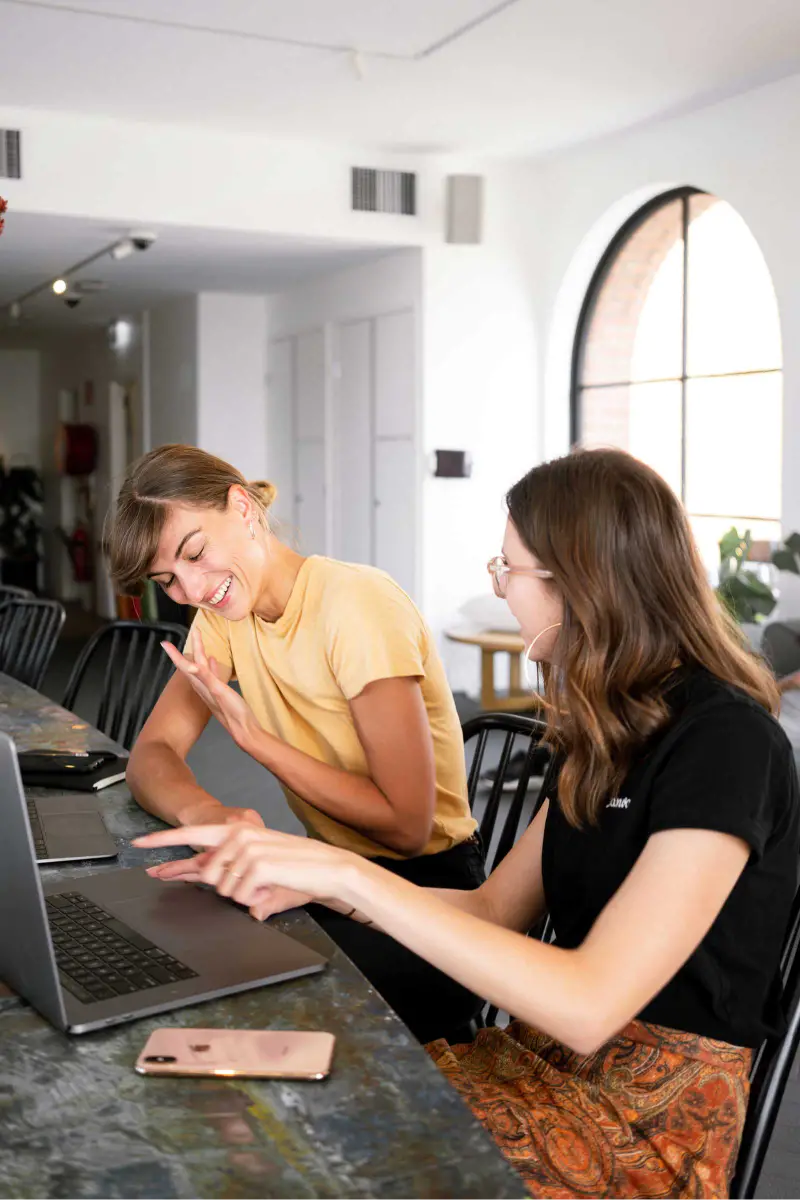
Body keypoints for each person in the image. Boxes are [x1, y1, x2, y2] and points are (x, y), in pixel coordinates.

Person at [136, 447, 800, 1199]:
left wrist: (339, 870)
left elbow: (588, 1005)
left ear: (580, 581)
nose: (499, 587)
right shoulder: (610, 733)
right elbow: (491, 910)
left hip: (641, 1128)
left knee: (287, 1147)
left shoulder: (726, 742)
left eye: (507, 569)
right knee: (241, 1102)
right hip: (536, 1064)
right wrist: (309, 885)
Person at [107, 444, 484, 1043]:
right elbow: (152, 755)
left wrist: (256, 741)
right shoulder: (226, 616)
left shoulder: (356, 604)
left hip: (428, 902)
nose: (193, 590)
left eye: (196, 554)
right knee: (179, 941)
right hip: (327, 877)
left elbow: (408, 826)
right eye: (168, 580)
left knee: (235, 987)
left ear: (242, 507)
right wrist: (212, 813)